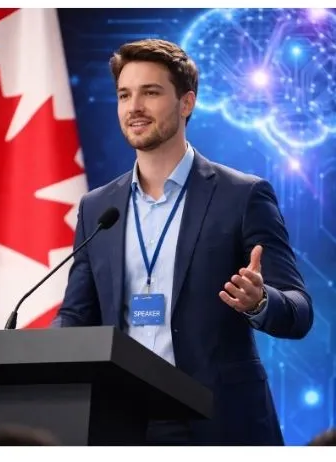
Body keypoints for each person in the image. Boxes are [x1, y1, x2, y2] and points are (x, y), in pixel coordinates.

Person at [51, 38, 313, 445]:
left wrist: (260, 302)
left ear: (186, 102)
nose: (134, 107)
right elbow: (76, 315)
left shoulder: (242, 195)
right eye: (124, 95)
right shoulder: (97, 207)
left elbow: (299, 311)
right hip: (121, 425)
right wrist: (41, 347)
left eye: (150, 92)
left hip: (218, 422)